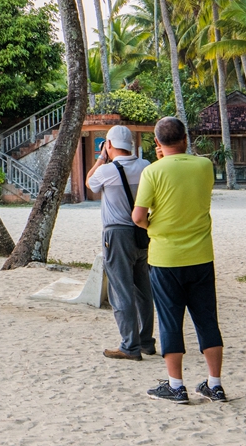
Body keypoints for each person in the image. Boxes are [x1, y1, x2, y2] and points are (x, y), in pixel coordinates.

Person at [133, 117, 226, 404]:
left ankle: (176, 386)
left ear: (157, 143)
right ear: (186, 138)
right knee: (207, 320)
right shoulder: (205, 166)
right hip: (200, 256)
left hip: (165, 258)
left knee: (170, 322)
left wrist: (155, 228)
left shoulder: (153, 171)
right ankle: (215, 384)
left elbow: (138, 217)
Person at [85, 125, 155, 361]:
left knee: (120, 290)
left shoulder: (107, 170)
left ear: (110, 144)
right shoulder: (145, 167)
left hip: (116, 234)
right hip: (142, 232)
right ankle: (146, 341)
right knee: (143, 289)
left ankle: (129, 346)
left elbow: (89, 183)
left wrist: (101, 159)